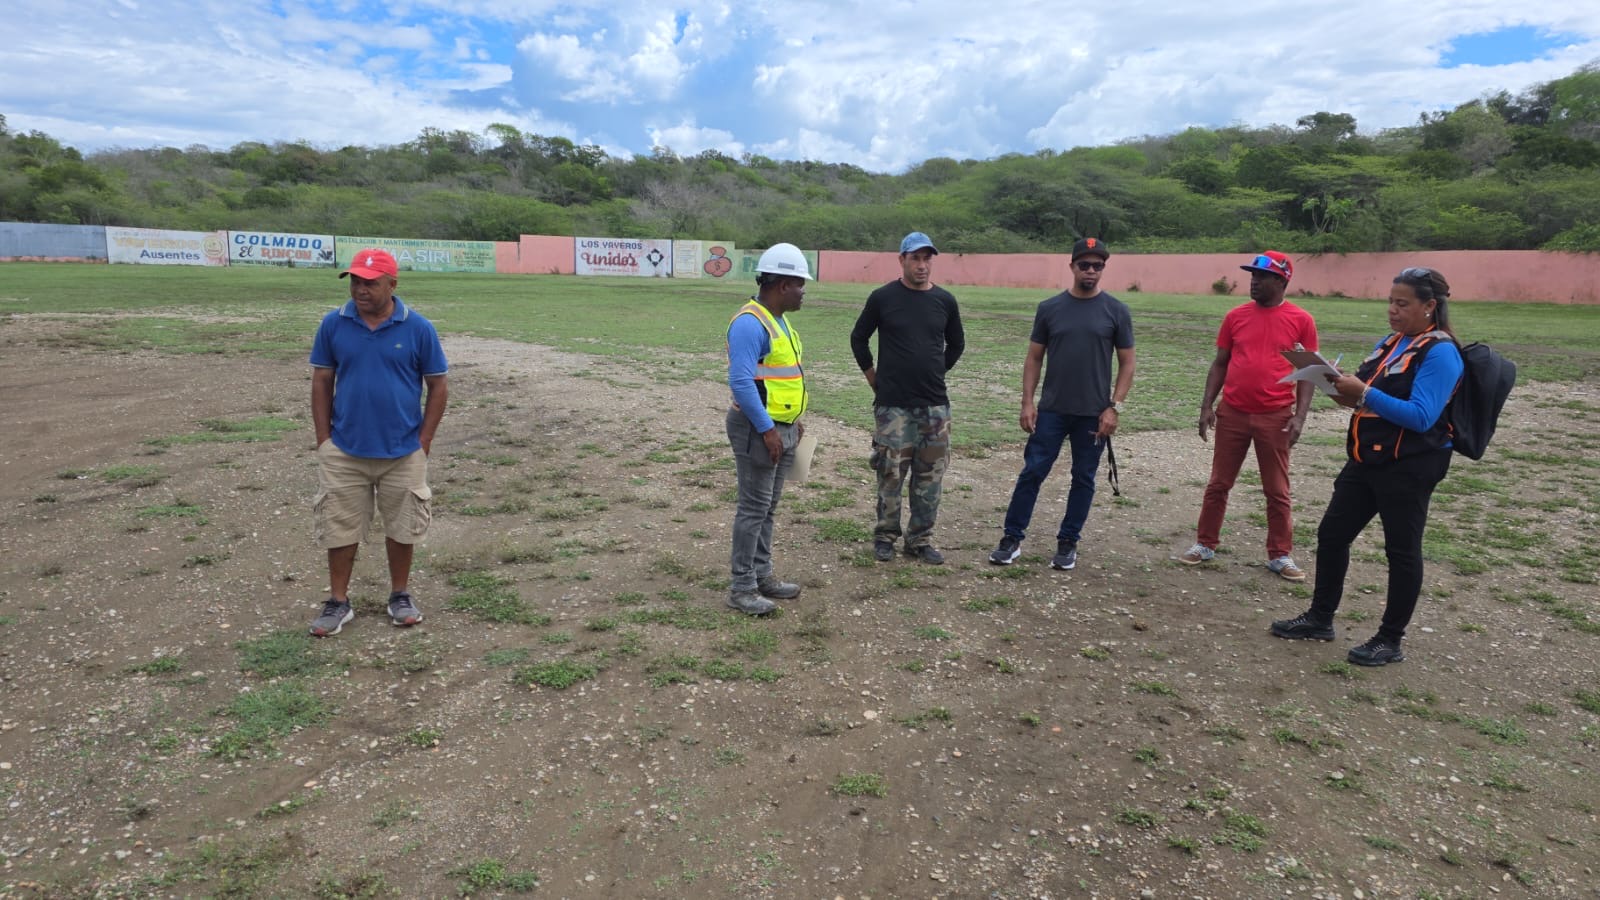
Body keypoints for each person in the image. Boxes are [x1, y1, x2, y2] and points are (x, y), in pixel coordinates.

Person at [1271, 267, 1464, 666]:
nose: (1392, 310)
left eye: (1402, 303)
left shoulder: (1441, 351)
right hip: (1367, 457)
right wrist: (1333, 383)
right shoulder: (1391, 343)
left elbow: (1421, 416)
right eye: (1390, 301)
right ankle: (1320, 618)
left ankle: (1390, 639)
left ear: (1430, 306)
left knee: (1402, 550)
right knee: (1332, 535)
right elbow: (1359, 397)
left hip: (1410, 466)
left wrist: (1365, 393)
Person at [308, 249, 449, 636]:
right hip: (344, 449)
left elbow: (438, 385)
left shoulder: (418, 328)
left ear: (392, 284)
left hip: (403, 451)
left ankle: (399, 595)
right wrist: (324, 440)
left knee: (403, 527)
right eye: (355, 281)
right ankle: (338, 601)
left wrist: (424, 440)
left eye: (369, 282)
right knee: (340, 528)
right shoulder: (333, 325)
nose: (360, 289)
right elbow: (322, 381)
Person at [989, 237, 1134, 570]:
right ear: (1072, 267)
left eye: (1098, 266)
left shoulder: (1116, 311)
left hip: (1093, 414)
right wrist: (1027, 402)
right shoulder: (1050, 308)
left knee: (1083, 478)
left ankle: (1068, 542)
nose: (1091, 271)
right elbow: (1034, 358)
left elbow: (1128, 363)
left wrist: (1115, 406)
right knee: (1032, 472)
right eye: (1085, 264)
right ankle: (1012, 538)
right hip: (1052, 410)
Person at [1180, 251, 1319, 581]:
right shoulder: (1236, 316)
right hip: (1233, 414)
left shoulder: (1301, 320)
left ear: (1281, 281)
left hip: (1275, 416)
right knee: (1218, 483)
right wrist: (1206, 406)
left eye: (1261, 276)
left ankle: (1280, 555)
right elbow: (1220, 362)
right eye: (1252, 275)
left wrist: (1299, 416)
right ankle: (1205, 543)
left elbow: (1310, 372)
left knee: (1276, 489)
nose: (1253, 281)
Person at [849, 231, 966, 565]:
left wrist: (937, 372)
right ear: (901, 260)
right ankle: (885, 536)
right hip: (893, 406)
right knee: (890, 473)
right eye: (915, 258)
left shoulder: (945, 301)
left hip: (934, 407)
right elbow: (859, 339)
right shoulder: (883, 298)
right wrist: (874, 379)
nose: (922, 265)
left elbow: (957, 343)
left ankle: (920, 540)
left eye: (927, 258)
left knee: (929, 478)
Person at [724, 243, 812, 615]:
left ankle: (762, 576)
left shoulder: (779, 320)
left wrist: (793, 419)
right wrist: (768, 429)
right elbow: (742, 383)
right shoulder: (749, 323)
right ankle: (742, 587)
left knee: (768, 508)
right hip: (759, 428)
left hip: (781, 426)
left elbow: (781, 378)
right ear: (780, 285)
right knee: (753, 509)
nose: (803, 291)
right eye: (799, 284)